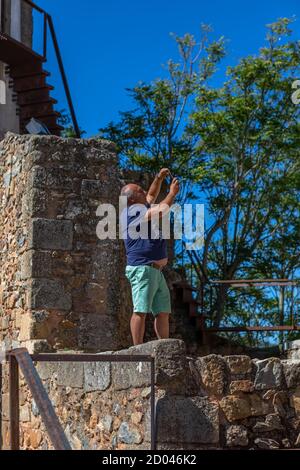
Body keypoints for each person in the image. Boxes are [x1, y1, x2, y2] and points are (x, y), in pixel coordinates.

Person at [120, 169, 180, 345]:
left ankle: (165, 347)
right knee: (140, 310)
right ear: (131, 200)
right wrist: (172, 193)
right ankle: (137, 349)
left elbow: (152, 193)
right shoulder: (131, 214)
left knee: (162, 311)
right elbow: (161, 210)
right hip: (142, 269)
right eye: (139, 190)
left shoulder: (141, 206)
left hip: (155, 271)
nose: (144, 191)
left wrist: (159, 177)